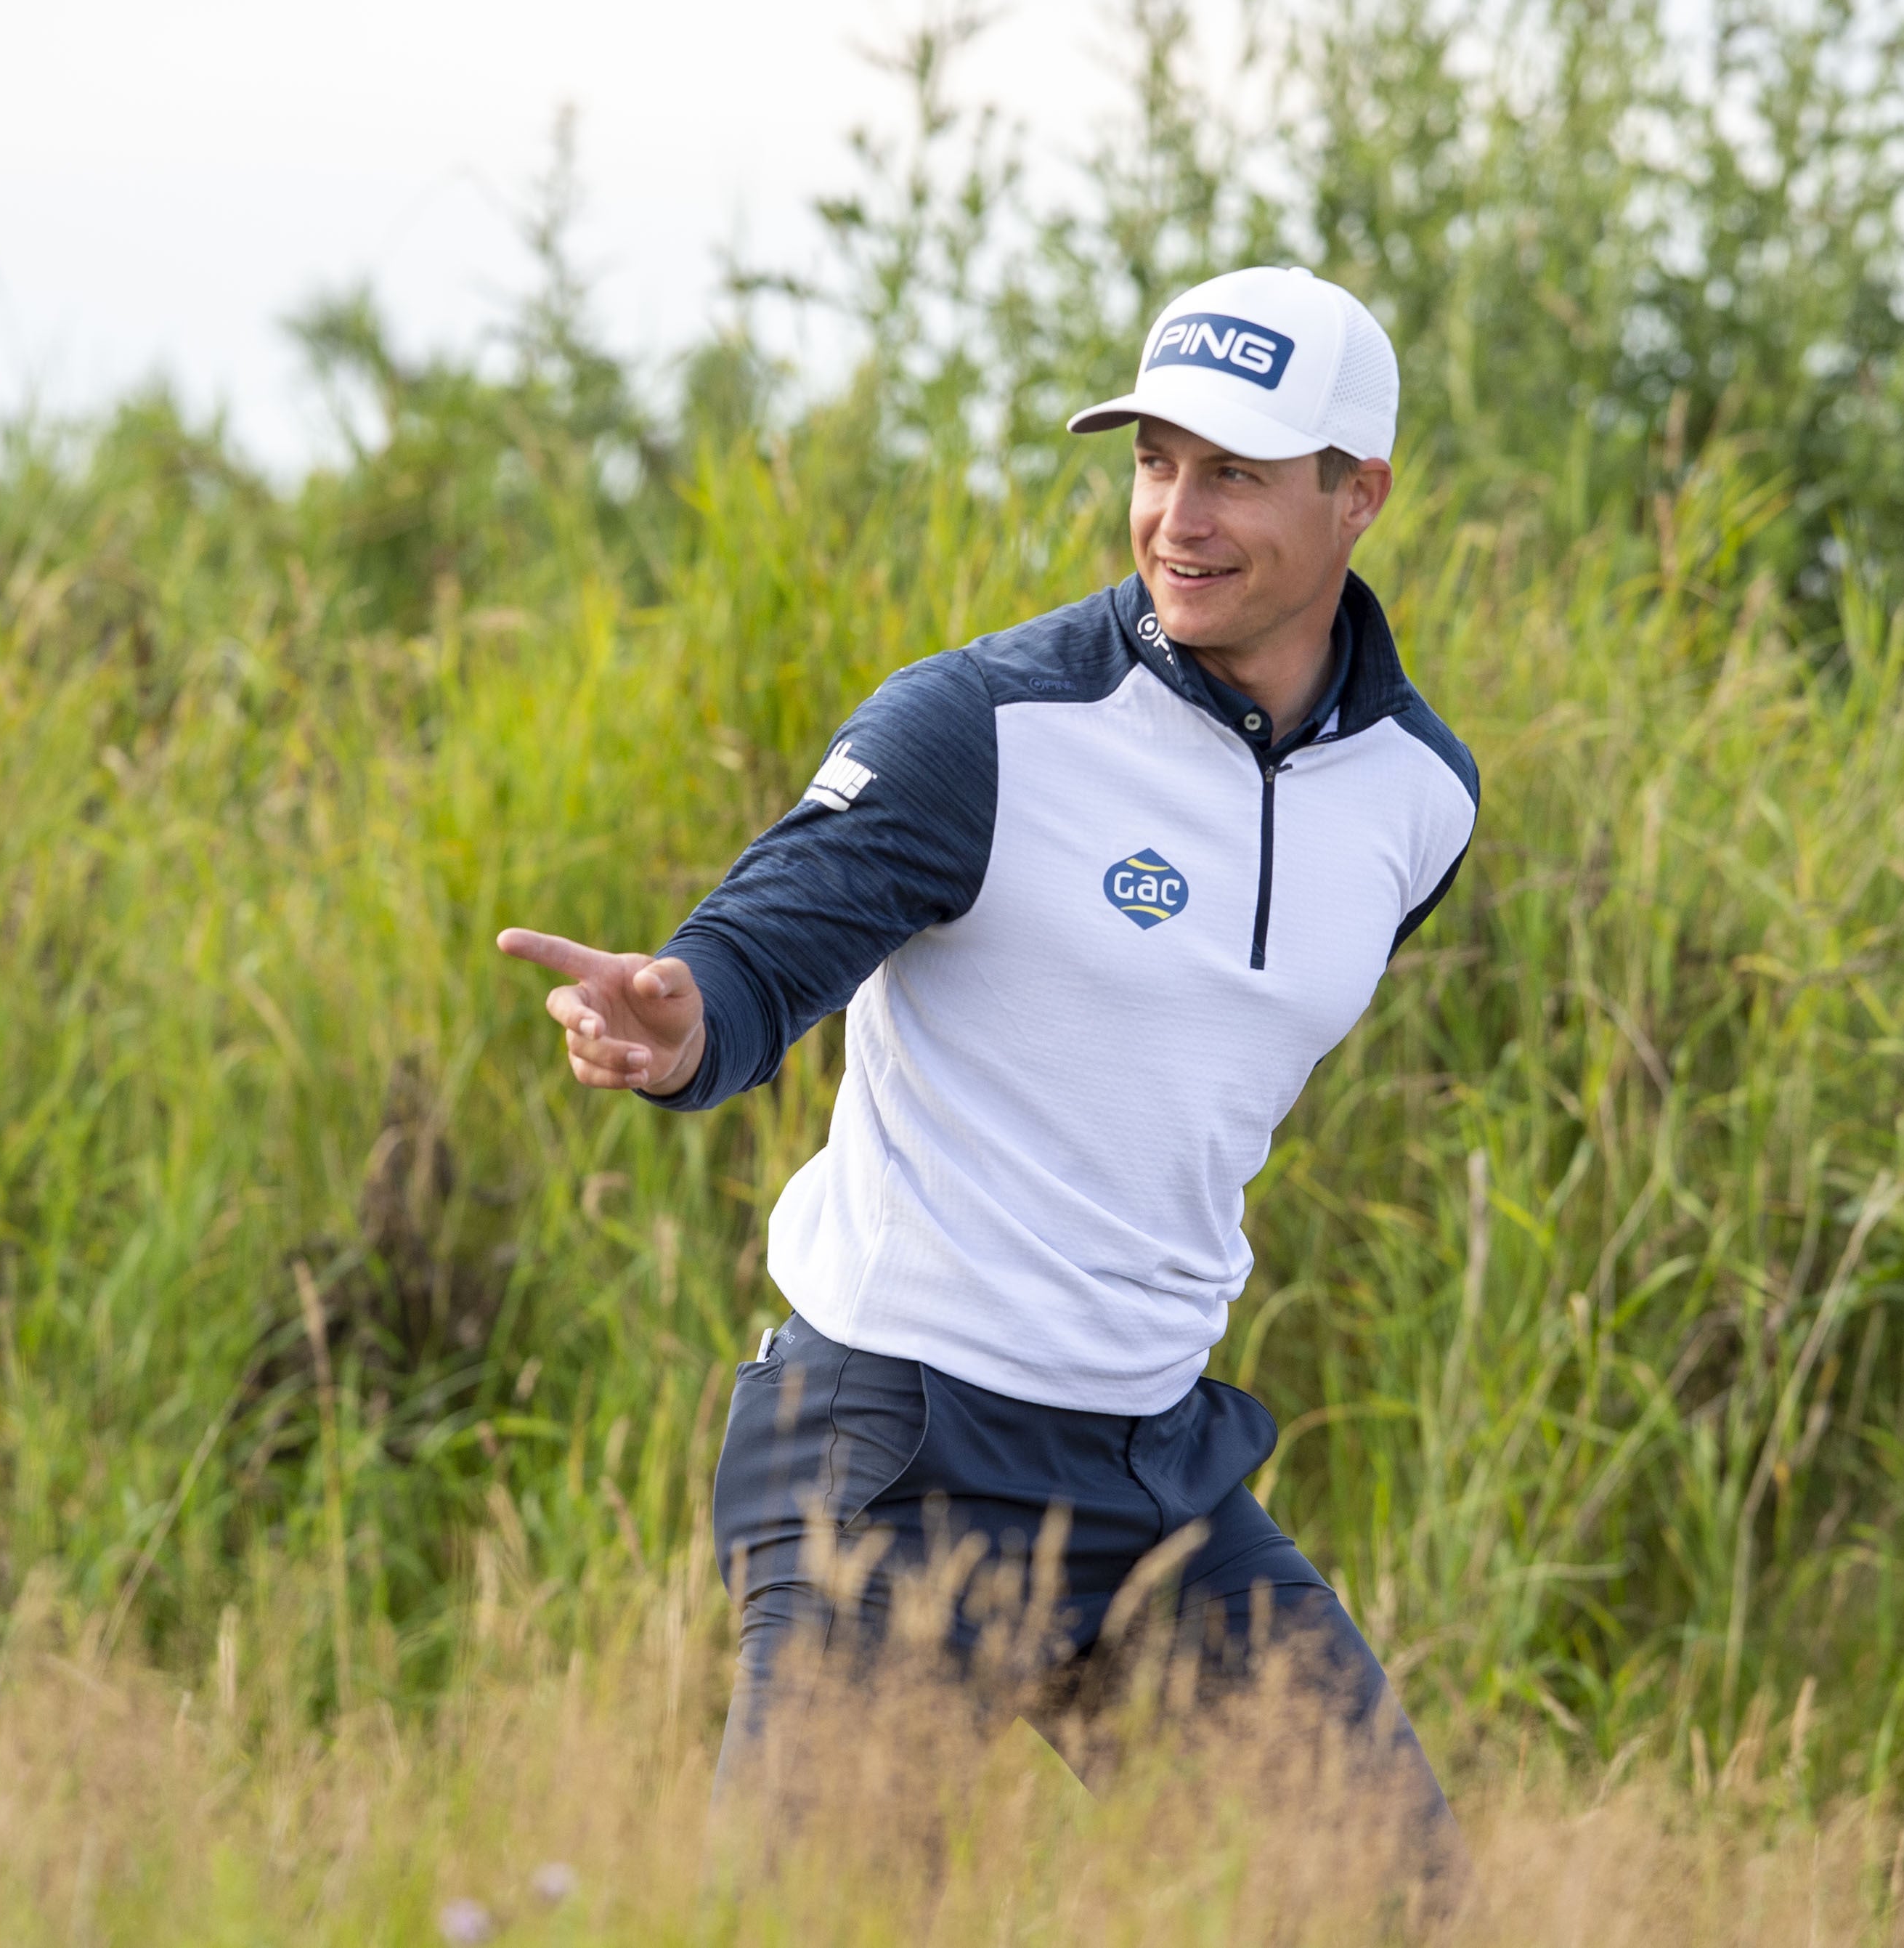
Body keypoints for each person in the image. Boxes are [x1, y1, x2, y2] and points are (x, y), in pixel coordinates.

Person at [497, 266, 1478, 1870]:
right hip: (895, 1458)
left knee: (1390, 1898)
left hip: (1152, 1471)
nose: (1177, 515)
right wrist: (686, 1018)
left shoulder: (1416, 800)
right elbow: (773, 934)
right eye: (1154, 461)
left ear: (1355, 491)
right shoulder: (990, 722)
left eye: (1232, 470)